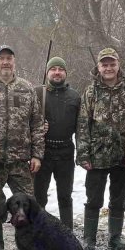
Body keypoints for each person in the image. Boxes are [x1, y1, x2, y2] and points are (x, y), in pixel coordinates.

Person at [0, 45, 44, 250]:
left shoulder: (26, 88)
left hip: (20, 160)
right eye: (1, 58)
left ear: (14, 62)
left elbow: (37, 123)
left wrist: (37, 154)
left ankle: (30, 244)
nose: (5, 62)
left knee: (29, 204)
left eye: (9, 58)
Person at [77, 47, 125, 250]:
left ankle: (115, 239)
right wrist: (83, 154)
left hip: (123, 155)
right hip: (97, 154)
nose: (109, 68)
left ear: (118, 65)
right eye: (105, 64)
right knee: (93, 198)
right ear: (99, 67)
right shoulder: (91, 91)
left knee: (119, 199)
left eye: (112, 64)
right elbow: (83, 123)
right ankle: (89, 240)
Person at [33, 56, 81, 229]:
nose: (57, 72)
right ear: (47, 72)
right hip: (42, 153)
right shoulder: (37, 93)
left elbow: (81, 127)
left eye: (60, 69)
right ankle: (38, 231)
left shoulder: (75, 96)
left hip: (66, 152)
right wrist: (39, 127)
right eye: (53, 69)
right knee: (39, 196)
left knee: (65, 196)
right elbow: (27, 121)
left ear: (65, 73)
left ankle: (67, 233)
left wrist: (82, 153)